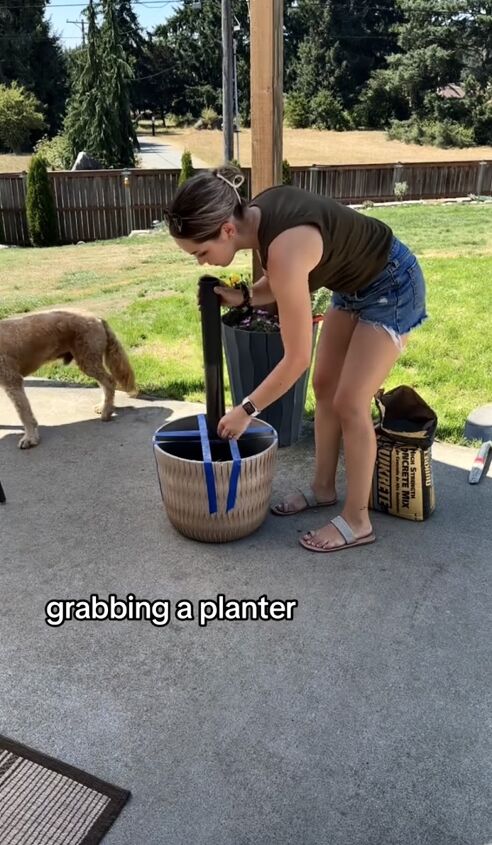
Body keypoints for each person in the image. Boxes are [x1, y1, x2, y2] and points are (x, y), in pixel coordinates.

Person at [164, 166, 427, 554]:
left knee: (350, 401)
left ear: (226, 229)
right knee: (325, 387)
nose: (201, 262)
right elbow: (284, 279)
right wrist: (245, 297)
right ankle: (323, 490)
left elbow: (296, 357)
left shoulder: (283, 246)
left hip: (392, 284)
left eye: (200, 252)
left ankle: (357, 519)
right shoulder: (260, 214)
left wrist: (246, 410)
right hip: (353, 285)